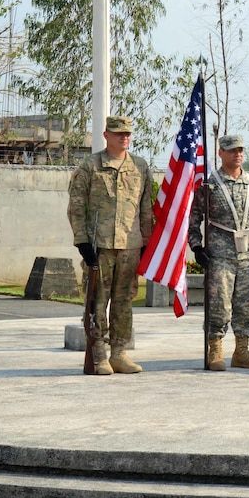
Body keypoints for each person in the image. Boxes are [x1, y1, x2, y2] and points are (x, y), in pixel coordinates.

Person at [67, 115, 154, 375]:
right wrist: (82, 240)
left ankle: (119, 353)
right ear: (106, 135)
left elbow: (146, 209)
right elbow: (76, 207)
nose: (124, 137)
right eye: (118, 133)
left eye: (127, 133)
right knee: (97, 302)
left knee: (124, 302)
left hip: (130, 245)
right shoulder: (90, 166)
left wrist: (147, 242)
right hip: (100, 245)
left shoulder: (140, 166)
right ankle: (99, 354)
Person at [188, 134, 249, 371]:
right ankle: (215, 348)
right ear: (221, 153)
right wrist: (196, 246)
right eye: (232, 150)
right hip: (220, 255)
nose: (237, 154)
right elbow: (193, 218)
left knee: (246, 303)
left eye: (240, 150)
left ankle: (242, 350)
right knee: (219, 304)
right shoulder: (209, 185)